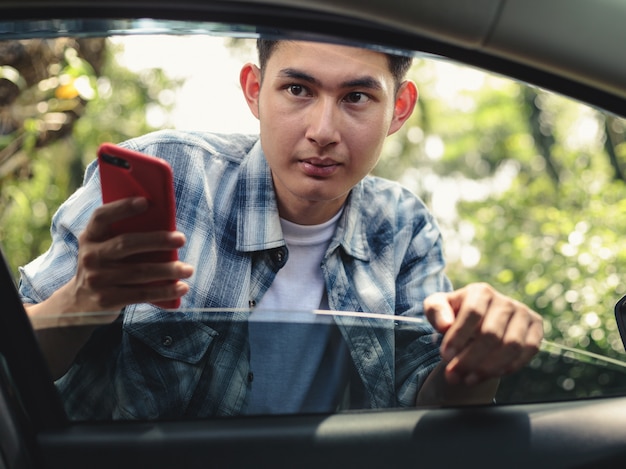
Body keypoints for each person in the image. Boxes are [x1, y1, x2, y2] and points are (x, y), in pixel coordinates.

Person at [19, 39, 543, 419]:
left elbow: (429, 404)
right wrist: (82, 298)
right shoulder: (170, 172)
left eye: (357, 98)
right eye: (297, 89)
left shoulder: (404, 226)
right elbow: (15, 367)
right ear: (254, 90)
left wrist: (477, 358)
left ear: (398, 109)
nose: (322, 131)